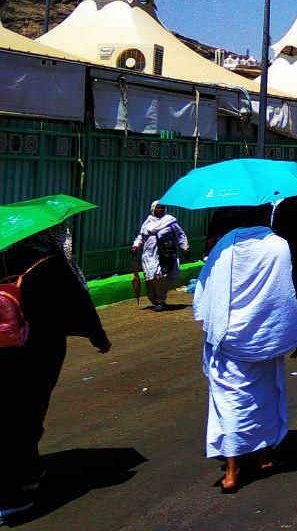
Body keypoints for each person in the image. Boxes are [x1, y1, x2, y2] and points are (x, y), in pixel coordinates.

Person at [0, 225, 111, 520]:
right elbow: (79, 303)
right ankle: (18, 487)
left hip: (3, 350)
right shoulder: (50, 262)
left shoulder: (4, 259)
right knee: (29, 411)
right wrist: (98, 336)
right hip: (40, 352)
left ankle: (27, 467)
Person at [193, 204, 297, 493]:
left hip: (229, 339)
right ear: (268, 214)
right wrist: (291, 334)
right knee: (265, 396)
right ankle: (265, 456)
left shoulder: (224, 246)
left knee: (230, 402)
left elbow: (205, 289)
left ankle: (232, 470)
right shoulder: (278, 246)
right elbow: (284, 295)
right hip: (265, 338)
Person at [131, 201, 189, 310]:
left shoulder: (169, 221)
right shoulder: (147, 222)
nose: (161, 210)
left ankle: (161, 301)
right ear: (153, 210)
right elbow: (141, 236)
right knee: (150, 278)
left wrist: (185, 248)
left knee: (159, 277)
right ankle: (155, 299)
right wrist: (136, 245)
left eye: (162, 208)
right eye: (158, 208)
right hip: (149, 255)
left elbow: (181, 235)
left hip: (164, 254)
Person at [270, 195, 297, 300]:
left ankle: (288, 292)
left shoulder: (281, 207)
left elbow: (275, 226)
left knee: (287, 268)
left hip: (286, 244)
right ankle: (296, 291)